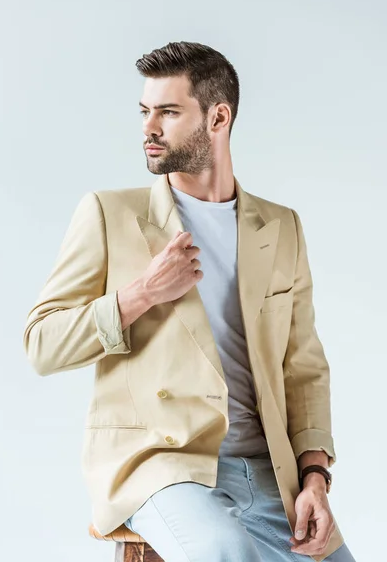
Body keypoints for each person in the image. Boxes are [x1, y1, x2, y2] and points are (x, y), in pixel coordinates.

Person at [23, 41, 356, 562]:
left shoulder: (280, 226)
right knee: (226, 553)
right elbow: (41, 343)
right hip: (162, 465)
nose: (148, 127)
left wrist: (315, 477)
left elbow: (304, 367)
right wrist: (142, 293)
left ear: (218, 117)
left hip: (270, 469)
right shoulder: (110, 214)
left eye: (168, 112)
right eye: (144, 111)